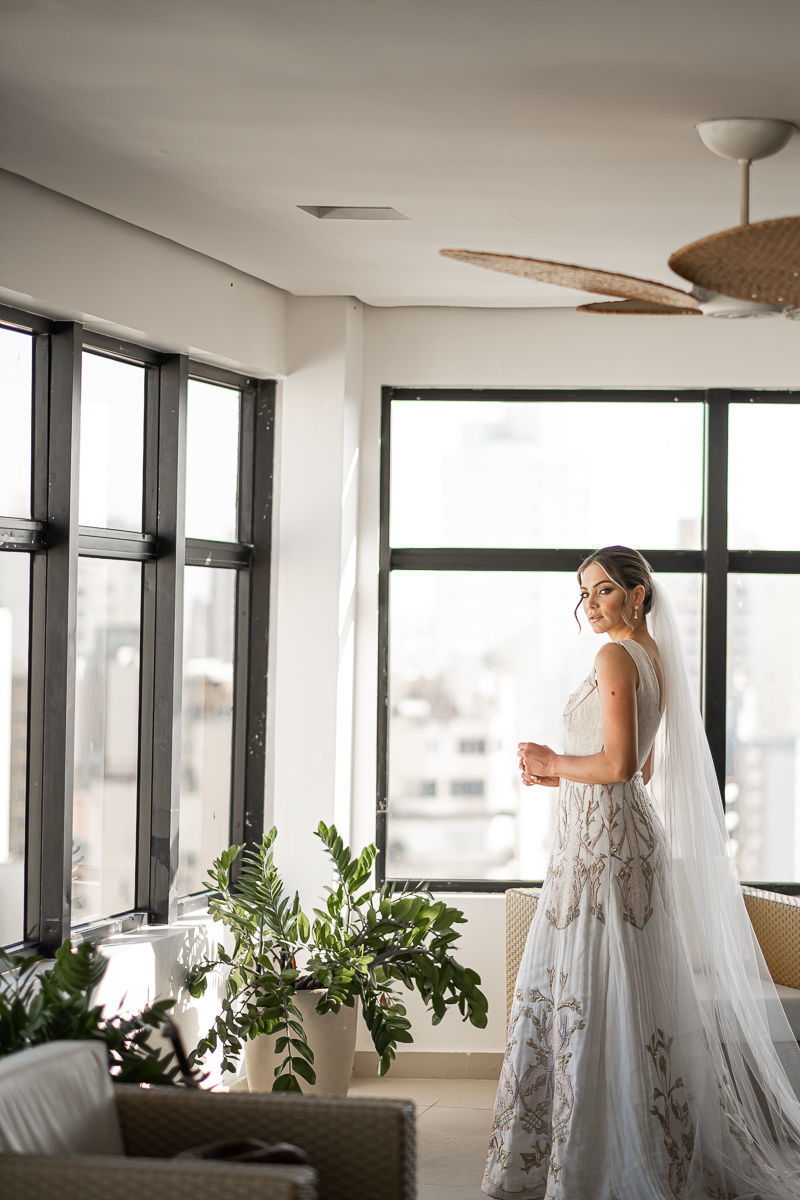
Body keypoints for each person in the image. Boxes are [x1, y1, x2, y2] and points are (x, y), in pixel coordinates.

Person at [482, 546, 800, 1200]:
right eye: (585, 593)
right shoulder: (652, 658)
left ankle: (600, 1157)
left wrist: (551, 759)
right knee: (623, 991)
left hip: (604, 846)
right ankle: (625, 1140)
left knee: (596, 989)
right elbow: (644, 770)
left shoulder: (614, 656)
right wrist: (562, 774)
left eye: (602, 590)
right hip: (618, 835)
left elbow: (622, 765)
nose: (591, 605)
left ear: (638, 594)